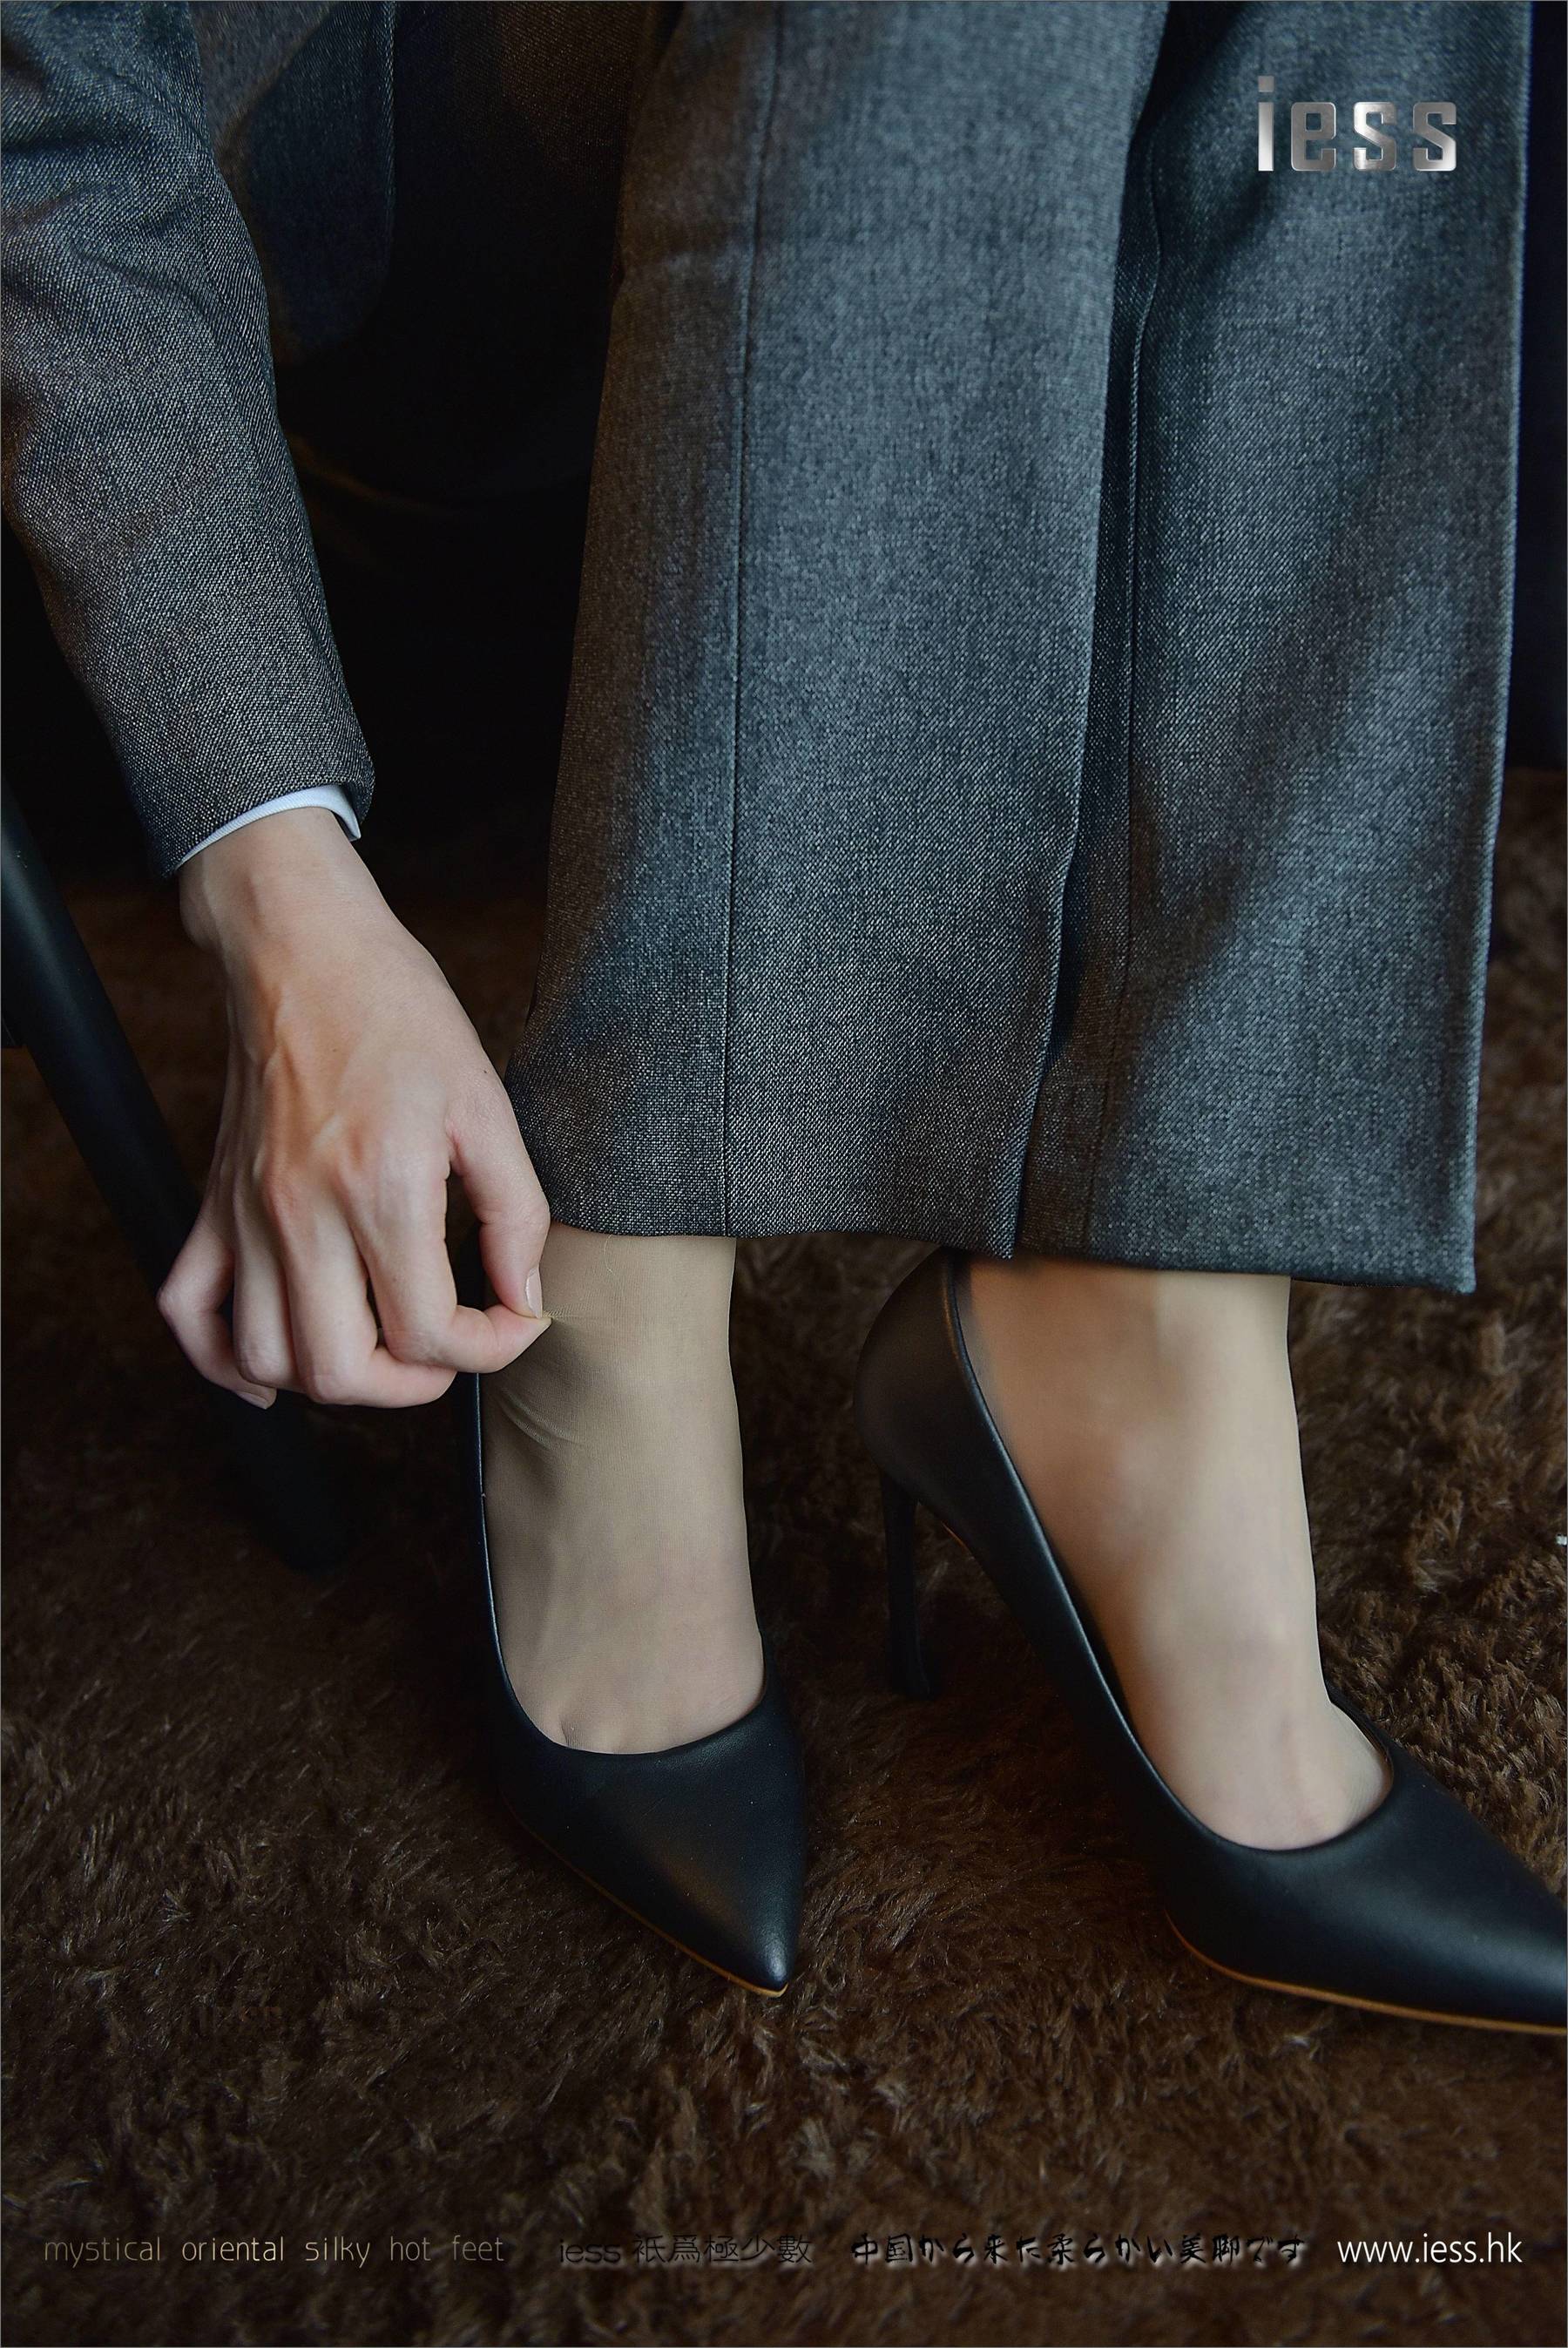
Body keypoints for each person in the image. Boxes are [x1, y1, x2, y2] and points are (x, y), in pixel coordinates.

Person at [4, 1, 1562, 2023]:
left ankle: (1155, 1283)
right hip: (387, 223)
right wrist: (284, 903)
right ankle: (623, 1278)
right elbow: (48, 121)